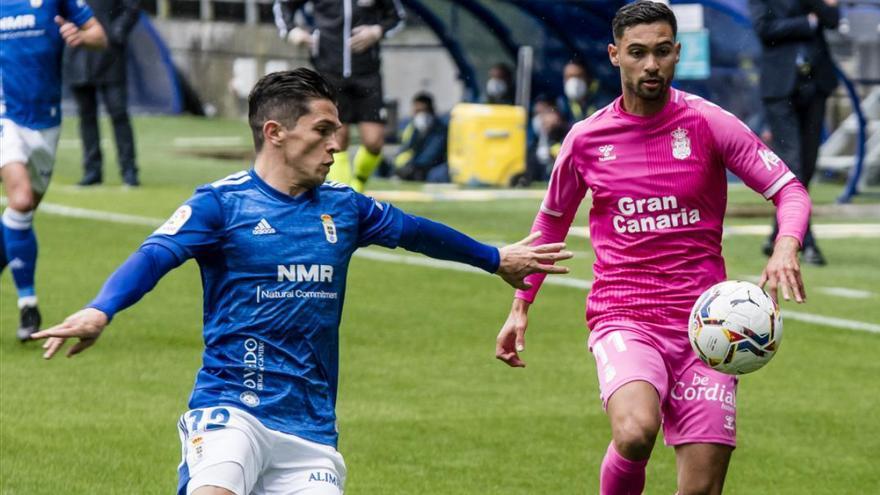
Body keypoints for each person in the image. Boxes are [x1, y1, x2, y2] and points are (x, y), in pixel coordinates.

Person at [32, 68, 572, 495]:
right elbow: (155, 255)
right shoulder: (220, 204)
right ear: (275, 133)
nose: (336, 144)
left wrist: (493, 257)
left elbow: (417, 233)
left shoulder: (346, 207)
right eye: (322, 131)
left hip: (310, 426)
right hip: (231, 404)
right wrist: (101, 309)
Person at [495, 3, 810, 494]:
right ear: (615, 54)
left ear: (677, 53)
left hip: (708, 329)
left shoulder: (709, 123)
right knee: (635, 430)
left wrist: (786, 246)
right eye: (638, 53)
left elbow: (789, 189)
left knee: (701, 489)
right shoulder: (586, 139)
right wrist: (520, 307)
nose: (651, 65)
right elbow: (551, 222)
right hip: (624, 315)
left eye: (662, 52)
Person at [0, 0, 107, 341]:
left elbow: (100, 36)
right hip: (6, 116)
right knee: (19, 200)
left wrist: (80, 36)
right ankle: (28, 305)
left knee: (23, 215)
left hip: (46, 121)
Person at [275, 0, 405, 193]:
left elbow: (397, 18)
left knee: (374, 141)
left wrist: (377, 31)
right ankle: (345, 196)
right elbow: (283, 5)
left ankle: (358, 184)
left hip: (367, 74)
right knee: (338, 138)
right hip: (329, 71)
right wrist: (291, 31)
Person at [749, 0, 840, 266]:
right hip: (780, 88)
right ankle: (806, 240)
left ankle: (777, 232)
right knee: (793, 165)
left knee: (808, 165)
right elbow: (765, 29)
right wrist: (807, 22)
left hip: (816, 84)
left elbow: (833, 17)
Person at [65, 0, 142, 187]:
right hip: (77, 56)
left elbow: (132, 7)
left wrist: (116, 32)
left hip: (110, 56)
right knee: (86, 117)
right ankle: (92, 170)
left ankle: (129, 170)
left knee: (119, 114)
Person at [394, 92, 448, 182]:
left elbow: (431, 154)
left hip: (431, 168)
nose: (420, 115)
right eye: (417, 111)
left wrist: (414, 167)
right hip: (411, 166)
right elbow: (405, 149)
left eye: (423, 111)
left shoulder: (440, 130)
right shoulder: (410, 127)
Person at [557, 58, 602, 126]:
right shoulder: (559, 105)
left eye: (578, 76)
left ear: (588, 79)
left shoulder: (603, 102)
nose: (573, 81)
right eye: (568, 77)